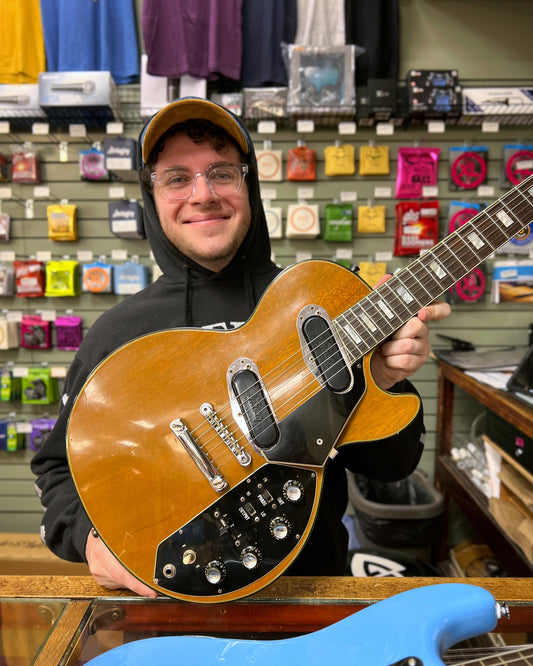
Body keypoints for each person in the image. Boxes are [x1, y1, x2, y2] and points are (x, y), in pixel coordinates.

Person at [31, 97, 451, 598]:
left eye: (221, 173)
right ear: (153, 197)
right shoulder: (118, 333)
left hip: (312, 596)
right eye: (177, 178)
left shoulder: (323, 303)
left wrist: (386, 377)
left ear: (247, 185)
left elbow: (391, 468)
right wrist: (88, 541)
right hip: (167, 613)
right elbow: (57, 468)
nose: (202, 194)